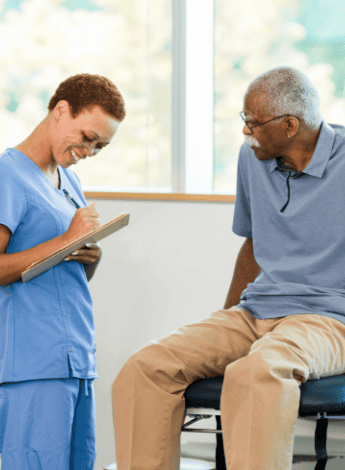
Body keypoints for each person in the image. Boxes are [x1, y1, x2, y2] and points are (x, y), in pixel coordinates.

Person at [112, 66, 345, 470]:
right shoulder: (253, 159)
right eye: (244, 120)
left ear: (291, 125)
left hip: (328, 318)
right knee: (145, 368)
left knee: (256, 373)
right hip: (256, 311)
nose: (245, 132)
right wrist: (227, 316)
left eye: (253, 123)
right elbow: (253, 244)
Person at [0, 73, 125, 470]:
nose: (89, 150)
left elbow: (57, 271)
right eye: (87, 136)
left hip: (75, 358)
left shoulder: (69, 181)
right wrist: (66, 239)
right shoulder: (7, 175)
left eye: (99, 146)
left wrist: (89, 255)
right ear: (61, 110)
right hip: (31, 362)